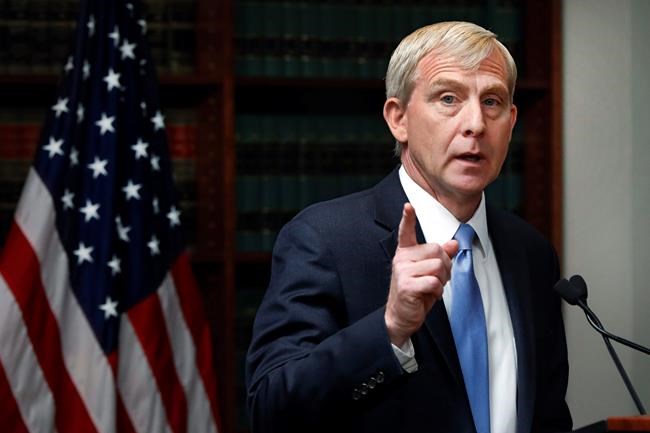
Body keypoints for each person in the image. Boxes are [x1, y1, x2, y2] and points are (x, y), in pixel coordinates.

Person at [245, 21, 572, 433]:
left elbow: (547, 416)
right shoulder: (324, 239)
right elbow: (270, 409)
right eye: (448, 98)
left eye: (492, 101)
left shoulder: (532, 253)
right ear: (398, 119)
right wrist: (390, 328)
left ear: (511, 121)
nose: (476, 123)